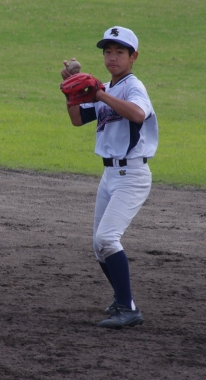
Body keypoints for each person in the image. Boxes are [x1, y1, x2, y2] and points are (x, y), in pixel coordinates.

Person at [61, 26, 158, 329]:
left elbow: (138, 114)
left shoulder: (133, 87)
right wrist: (72, 92)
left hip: (133, 175)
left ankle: (128, 309)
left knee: (107, 239)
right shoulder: (104, 87)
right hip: (109, 175)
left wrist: (99, 93)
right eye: (108, 52)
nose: (112, 58)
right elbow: (78, 120)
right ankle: (121, 300)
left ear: (133, 56)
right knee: (98, 245)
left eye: (119, 52)